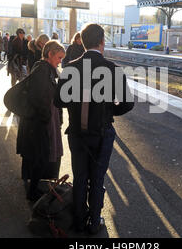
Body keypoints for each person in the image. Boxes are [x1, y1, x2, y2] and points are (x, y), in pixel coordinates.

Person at [54, 23, 134, 234]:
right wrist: (109, 112)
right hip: (102, 132)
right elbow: (127, 104)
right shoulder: (113, 70)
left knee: (80, 177)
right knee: (97, 178)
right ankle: (94, 222)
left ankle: (79, 221)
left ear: (83, 41)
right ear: (101, 42)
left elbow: (58, 101)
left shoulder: (70, 68)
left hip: (77, 134)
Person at [17, 40, 66, 202]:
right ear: (50, 54)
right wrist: (47, 118)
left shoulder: (45, 69)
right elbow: (38, 98)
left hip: (42, 119)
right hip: (40, 121)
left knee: (38, 154)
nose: (60, 61)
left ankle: (33, 186)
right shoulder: (43, 71)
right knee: (41, 155)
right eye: (59, 57)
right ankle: (32, 192)